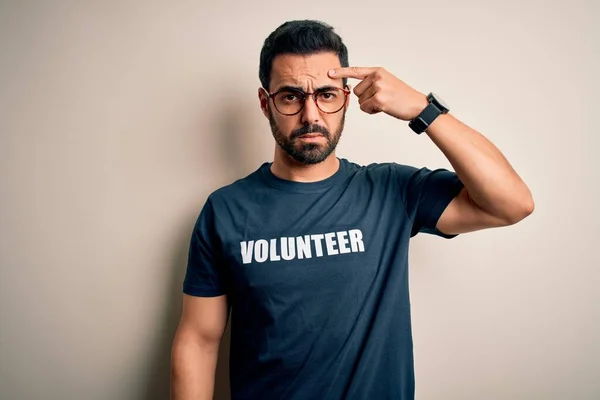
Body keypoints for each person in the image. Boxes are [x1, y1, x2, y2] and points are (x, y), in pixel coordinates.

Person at [170, 19, 534, 400]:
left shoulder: (392, 190)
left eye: (326, 95)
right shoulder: (226, 210)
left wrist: (423, 110)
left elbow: (512, 204)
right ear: (266, 103)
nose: (311, 115)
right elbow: (198, 340)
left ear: (346, 97)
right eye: (291, 96)